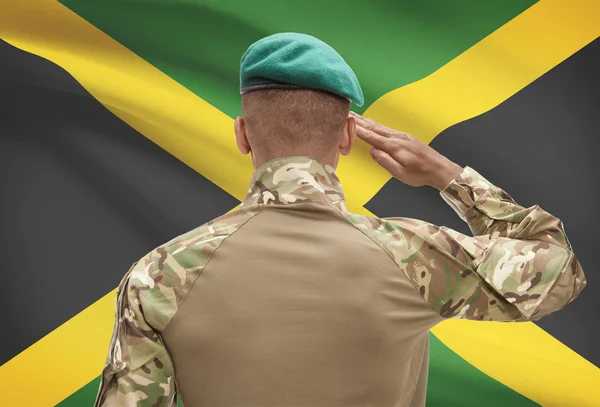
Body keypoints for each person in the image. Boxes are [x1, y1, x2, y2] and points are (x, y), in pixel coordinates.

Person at [94, 32, 587, 407]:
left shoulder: (158, 275)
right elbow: (559, 269)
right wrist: (447, 175)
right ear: (349, 136)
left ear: (243, 135)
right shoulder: (415, 255)